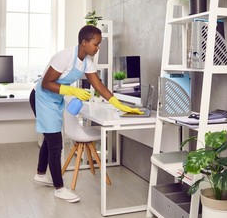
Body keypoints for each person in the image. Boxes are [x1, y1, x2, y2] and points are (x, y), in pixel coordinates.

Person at [29, 25, 142, 203]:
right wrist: (72, 91)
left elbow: (99, 86)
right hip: (42, 97)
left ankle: (41, 175)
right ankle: (59, 189)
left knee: (50, 138)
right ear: (84, 42)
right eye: (96, 44)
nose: (98, 48)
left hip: (55, 98)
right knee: (55, 143)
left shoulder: (87, 62)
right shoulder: (64, 56)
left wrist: (119, 104)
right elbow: (45, 83)